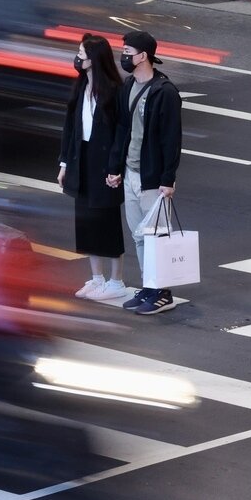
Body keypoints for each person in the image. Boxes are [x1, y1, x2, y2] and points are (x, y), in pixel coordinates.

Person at [105, 31, 183, 316]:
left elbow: (171, 138)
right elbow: (122, 129)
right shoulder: (128, 86)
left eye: (128, 52)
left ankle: (163, 292)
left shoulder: (165, 92)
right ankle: (149, 286)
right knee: (139, 236)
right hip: (130, 173)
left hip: (152, 178)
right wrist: (115, 167)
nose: (124, 57)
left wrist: (167, 179)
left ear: (143, 56)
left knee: (157, 237)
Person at [59, 36, 129, 303]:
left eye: (81, 54)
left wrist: (115, 167)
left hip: (105, 165)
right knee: (86, 222)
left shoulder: (113, 91)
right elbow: (70, 128)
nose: (78, 59)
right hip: (82, 160)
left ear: (94, 60)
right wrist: (64, 163)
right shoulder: (81, 87)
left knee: (107, 223)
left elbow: (121, 134)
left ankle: (116, 281)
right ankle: (97, 278)